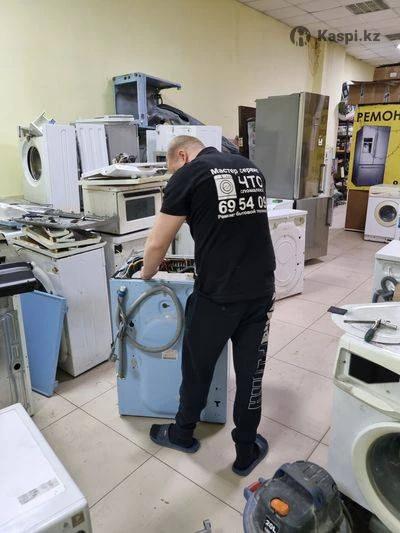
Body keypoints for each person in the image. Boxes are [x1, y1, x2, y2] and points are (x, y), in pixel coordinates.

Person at [141, 135, 275, 476]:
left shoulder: (189, 174)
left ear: (182, 155)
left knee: (197, 367)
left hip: (217, 294)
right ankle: (245, 451)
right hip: (260, 290)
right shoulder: (250, 168)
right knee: (251, 374)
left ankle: (183, 433)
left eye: (172, 168)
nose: (173, 174)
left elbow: (157, 243)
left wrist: (146, 273)